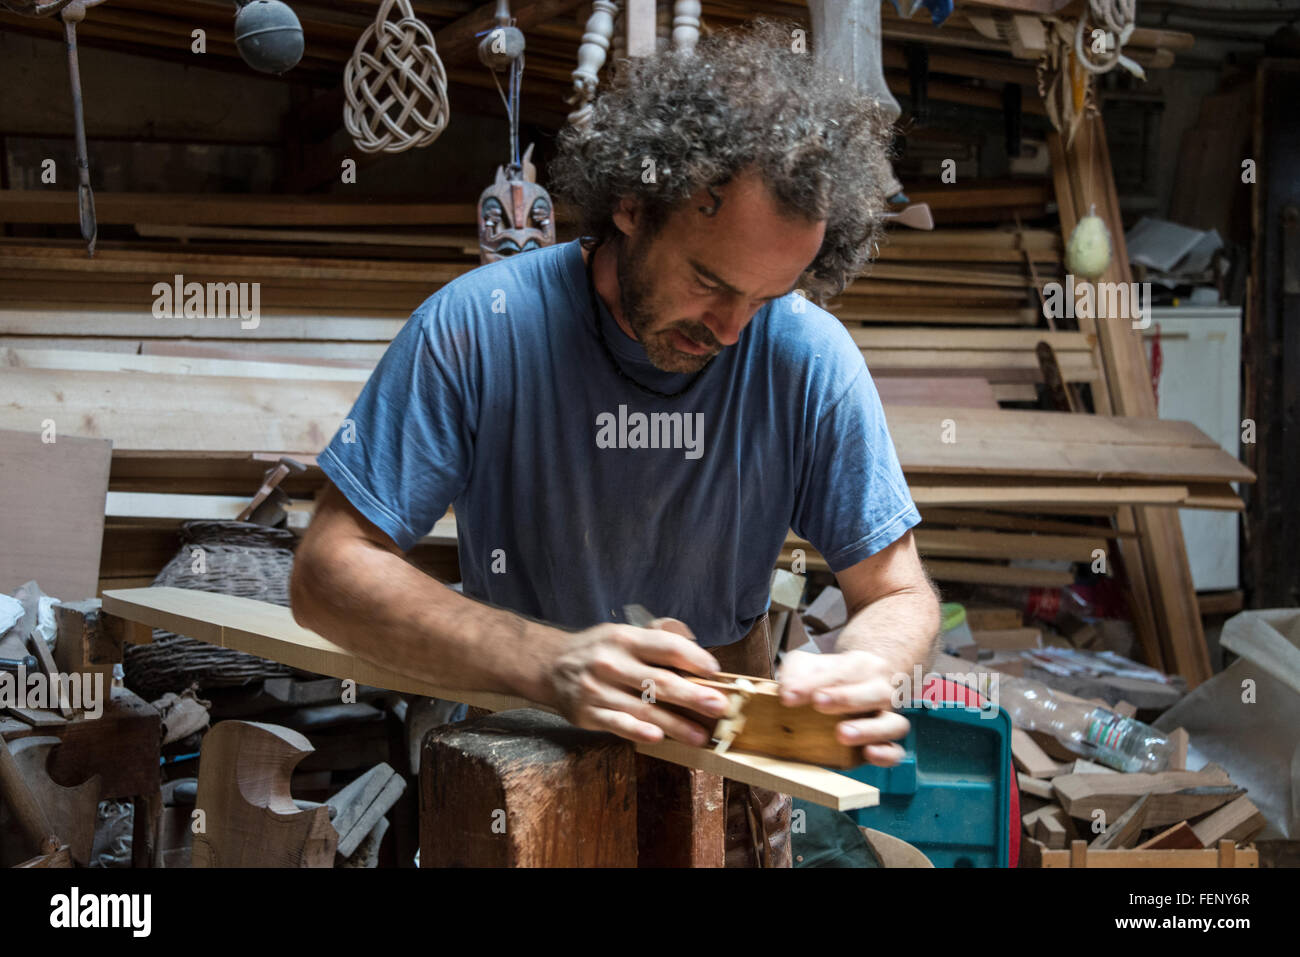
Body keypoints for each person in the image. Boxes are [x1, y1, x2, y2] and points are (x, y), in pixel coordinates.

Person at [290, 21, 941, 867]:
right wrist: (551, 661)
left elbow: (900, 592)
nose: (733, 330)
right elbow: (326, 571)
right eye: (709, 282)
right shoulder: (479, 327)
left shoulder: (807, 354)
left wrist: (867, 665)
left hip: (724, 766)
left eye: (768, 295)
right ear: (632, 205)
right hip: (523, 754)